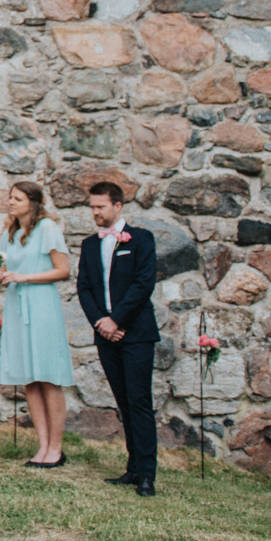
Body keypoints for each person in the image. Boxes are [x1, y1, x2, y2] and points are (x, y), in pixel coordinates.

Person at [73, 182, 160, 497]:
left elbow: (143, 284)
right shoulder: (89, 245)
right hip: (106, 335)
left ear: (118, 206)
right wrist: (101, 322)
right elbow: (84, 287)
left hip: (136, 333)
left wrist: (116, 319)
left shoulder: (140, 239)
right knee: (123, 402)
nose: (95, 212)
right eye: (92, 207)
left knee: (139, 402)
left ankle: (148, 474)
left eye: (101, 207)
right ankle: (133, 467)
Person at [0, 182, 75, 468]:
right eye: (10, 197)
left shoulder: (48, 228)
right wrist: (2, 276)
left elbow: (63, 270)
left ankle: (56, 447)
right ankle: (41, 446)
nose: (11, 202)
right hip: (16, 305)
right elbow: (2, 265)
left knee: (48, 374)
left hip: (41, 305)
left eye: (18, 198)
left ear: (33, 203)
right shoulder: (10, 233)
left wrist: (23, 277)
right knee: (29, 376)